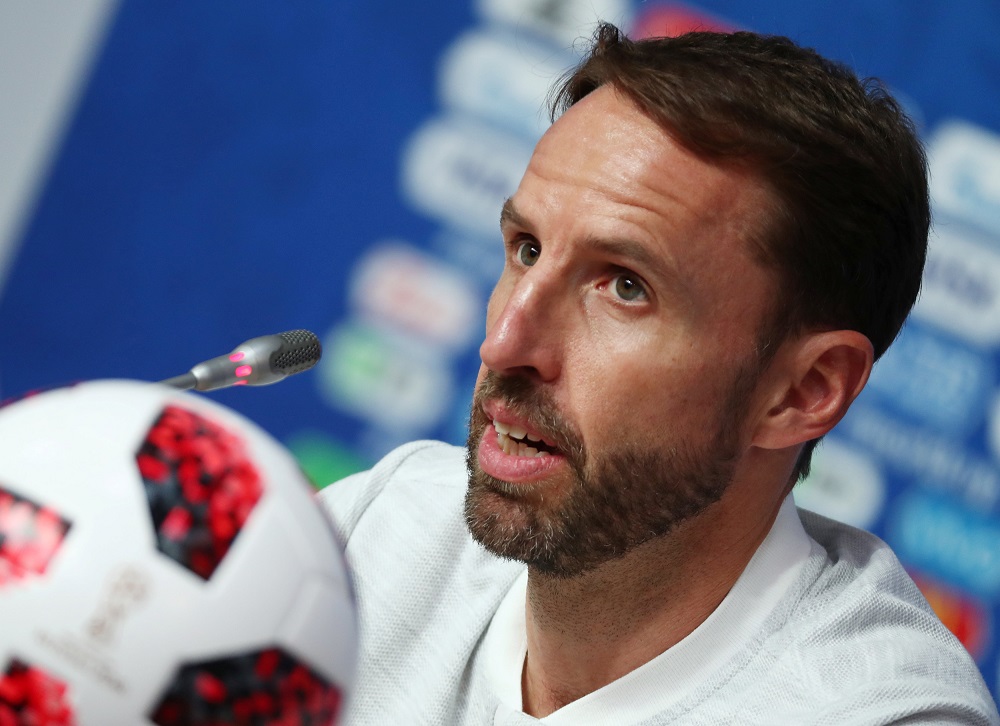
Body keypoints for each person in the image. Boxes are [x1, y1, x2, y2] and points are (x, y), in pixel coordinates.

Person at [320, 23, 1000, 725]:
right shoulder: (376, 533)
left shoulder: (876, 715)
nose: (503, 343)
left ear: (804, 390)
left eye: (624, 287)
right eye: (527, 248)